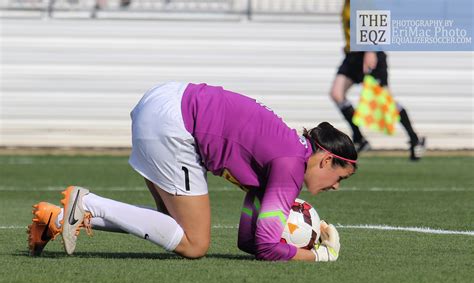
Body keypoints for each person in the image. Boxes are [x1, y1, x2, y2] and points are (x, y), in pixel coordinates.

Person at [28, 82, 357, 262]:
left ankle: (56, 219)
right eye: (339, 178)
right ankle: (87, 203)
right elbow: (268, 247)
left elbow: (250, 242)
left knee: (167, 227)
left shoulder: (284, 158)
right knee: (195, 244)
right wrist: (319, 256)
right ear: (326, 160)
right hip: (175, 125)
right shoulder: (290, 166)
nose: (336, 187)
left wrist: (277, 232)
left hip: (161, 105)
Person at [330, 0, 425, 160]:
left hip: (369, 53)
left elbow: (376, 20)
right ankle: (360, 139)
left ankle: (416, 140)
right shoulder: (347, 3)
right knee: (336, 93)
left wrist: (371, 50)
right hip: (353, 56)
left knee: (386, 102)